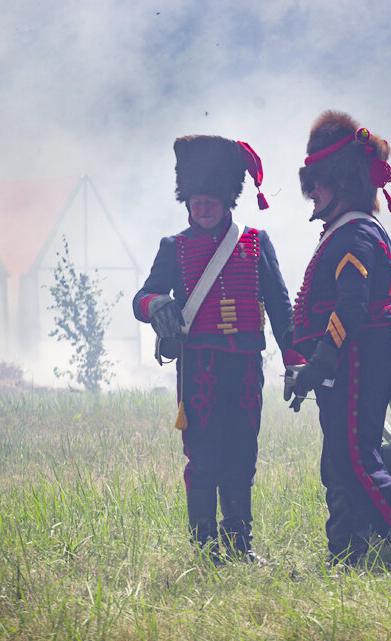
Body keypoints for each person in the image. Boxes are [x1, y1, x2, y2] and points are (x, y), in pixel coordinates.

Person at [286, 110, 391, 566]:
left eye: (317, 183)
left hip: (355, 359)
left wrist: (320, 362)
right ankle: (348, 557)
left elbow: (350, 309)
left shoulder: (356, 234)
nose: (311, 193)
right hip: (347, 360)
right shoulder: (345, 232)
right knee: (340, 465)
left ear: (343, 182)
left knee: (359, 465)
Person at [133, 135, 299, 563]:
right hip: (198, 368)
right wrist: (158, 305)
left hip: (245, 368)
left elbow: (281, 309)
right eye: (195, 201)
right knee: (203, 457)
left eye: (210, 200)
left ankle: (240, 544)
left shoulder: (257, 243)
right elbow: (143, 298)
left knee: (242, 455)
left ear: (228, 199)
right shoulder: (174, 247)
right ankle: (206, 547)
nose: (202, 208)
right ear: (186, 201)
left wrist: (296, 362)